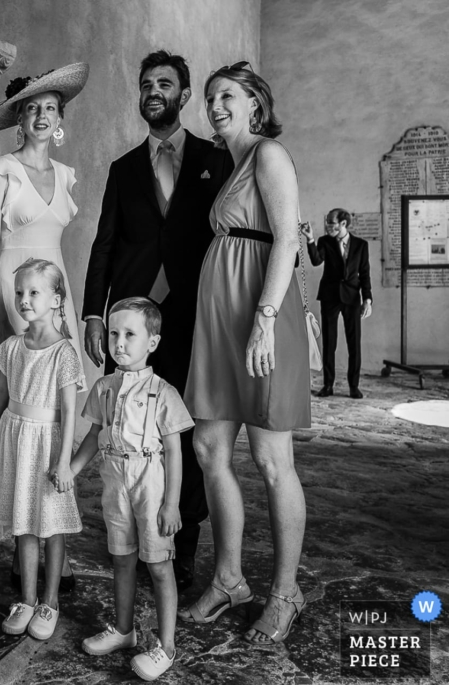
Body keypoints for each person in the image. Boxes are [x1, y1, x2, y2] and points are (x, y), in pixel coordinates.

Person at [83, 50, 234, 592]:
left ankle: (181, 544)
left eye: (164, 84)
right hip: (131, 321)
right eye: (146, 83)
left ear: (183, 95)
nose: (153, 91)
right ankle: (127, 533)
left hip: (196, 316)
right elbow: (104, 244)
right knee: (127, 427)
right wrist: (94, 313)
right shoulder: (123, 168)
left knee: (184, 430)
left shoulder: (216, 159)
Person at [179, 63, 309, 645]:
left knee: (271, 457)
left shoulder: (268, 154)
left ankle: (286, 592)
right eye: (210, 98)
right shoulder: (229, 164)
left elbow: (287, 237)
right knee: (209, 447)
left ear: (255, 103)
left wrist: (265, 320)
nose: (215, 105)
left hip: (260, 316)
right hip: (220, 323)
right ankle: (229, 579)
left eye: (227, 95)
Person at [0, 61, 89, 592]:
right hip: (11, 298)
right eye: (31, 108)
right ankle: (16, 541)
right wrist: (4, 316)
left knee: (55, 420)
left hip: (56, 303)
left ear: (59, 118)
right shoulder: (1, 170)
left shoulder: (65, 176)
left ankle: (55, 545)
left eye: (50, 108)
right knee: (13, 416)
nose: (41, 115)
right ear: (18, 119)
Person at [71, 297, 193, 681]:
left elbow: (175, 452)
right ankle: (124, 630)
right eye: (113, 334)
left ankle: (166, 646)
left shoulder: (163, 392)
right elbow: (94, 434)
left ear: (152, 342)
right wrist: (71, 469)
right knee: (121, 557)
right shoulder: (104, 387)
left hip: (150, 483)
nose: (119, 343)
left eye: (129, 334)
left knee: (158, 564)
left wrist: (172, 504)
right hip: (114, 480)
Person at [0, 258, 84, 641]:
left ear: (56, 299)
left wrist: (64, 461)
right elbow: (0, 392)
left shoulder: (64, 353)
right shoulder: (12, 346)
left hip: (46, 444)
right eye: (20, 292)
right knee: (22, 522)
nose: (24, 299)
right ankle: (26, 599)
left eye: (34, 292)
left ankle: (50, 602)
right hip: (15, 438)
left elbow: (69, 411)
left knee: (51, 525)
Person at [303, 209, 373, 398]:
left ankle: (354, 386)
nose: (328, 226)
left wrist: (367, 299)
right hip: (330, 297)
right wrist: (310, 239)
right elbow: (316, 261)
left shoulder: (361, 245)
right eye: (327, 222)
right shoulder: (324, 241)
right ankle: (328, 385)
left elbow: (365, 274)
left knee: (354, 344)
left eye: (331, 223)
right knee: (329, 343)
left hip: (352, 298)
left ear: (343, 223)